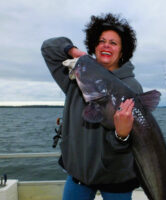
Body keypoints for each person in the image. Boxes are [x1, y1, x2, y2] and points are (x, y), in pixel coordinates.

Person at [41, 13, 143, 200]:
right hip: (79, 173)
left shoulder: (132, 87)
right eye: (101, 41)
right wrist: (72, 51)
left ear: (122, 51)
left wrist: (122, 135)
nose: (106, 45)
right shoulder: (76, 77)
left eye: (113, 43)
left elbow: (136, 142)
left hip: (116, 177)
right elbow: (48, 48)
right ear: (94, 46)